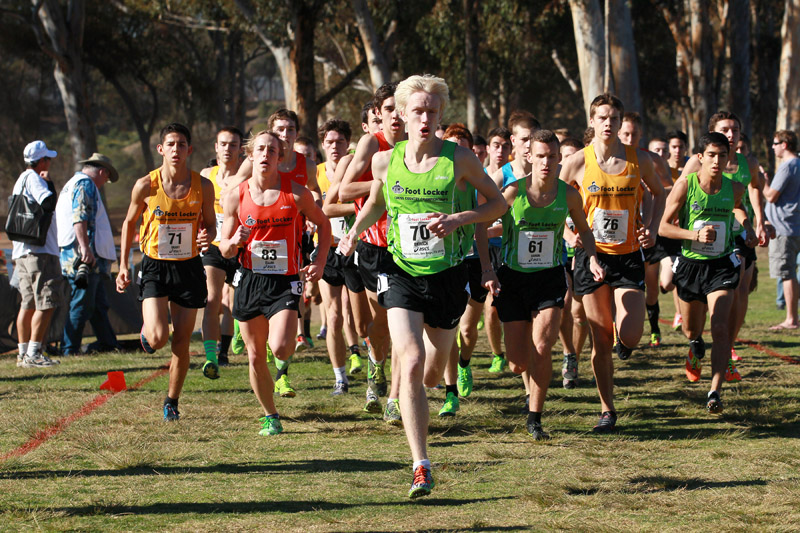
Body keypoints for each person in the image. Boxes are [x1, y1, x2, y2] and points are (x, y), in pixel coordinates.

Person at [338, 74, 505, 498]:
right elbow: (377, 201)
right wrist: (355, 231)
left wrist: (459, 220)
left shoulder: (460, 160)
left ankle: (429, 397)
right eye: (418, 111)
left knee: (430, 373)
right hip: (401, 273)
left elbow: (498, 203)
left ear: (440, 115)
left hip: (448, 277)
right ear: (402, 115)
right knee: (409, 362)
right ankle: (420, 464)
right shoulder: (384, 161)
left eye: (433, 111)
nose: (426, 118)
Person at [488, 129, 604, 439]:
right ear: (529, 157)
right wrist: (487, 267)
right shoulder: (513, 193)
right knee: (517, 363)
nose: (547, 163)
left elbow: (585, 230)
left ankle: (535, 418)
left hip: (550, 277)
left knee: (543, 346)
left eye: (552, 157)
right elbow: (481, 226)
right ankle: (528, 385)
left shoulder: (568, 195)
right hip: (513, 278)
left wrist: (591, 257)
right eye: (540, 156)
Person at [560, 94, 664, 433]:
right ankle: (607, 410)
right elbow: (552, 200)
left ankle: (627, 341)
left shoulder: (639, 160)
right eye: (602, 117)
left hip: (628, 256)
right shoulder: (577, 161)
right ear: (592, 122)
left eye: (614, 118)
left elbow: (658, 194)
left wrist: (651, 226)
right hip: (591, 257)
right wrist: (567, 234)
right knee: (600, 338)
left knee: (631, 334)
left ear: (621, 124)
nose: (608, 123)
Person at [219, 130, 331, 435]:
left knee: (280, 348)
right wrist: (234, 240)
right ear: (251, 155)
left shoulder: (295, 193)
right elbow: (225, 248)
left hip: (284, 281)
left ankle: (274, 347)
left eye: (273, 150)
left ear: (279, 157)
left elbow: (324, 224)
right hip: (250, 279)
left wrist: (319, 262)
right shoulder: (235, 195)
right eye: (261, 149)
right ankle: (270, 414)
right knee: (255, 358)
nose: (266, 154)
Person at [116, 123, 217, 421]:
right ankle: (150, 333)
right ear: (161, 149)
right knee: (159, 338)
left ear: (189, 149)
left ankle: (172, 400)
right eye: (170, 144)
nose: (176, 149)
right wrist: (123, 265)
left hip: (188, 267)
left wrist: (207, 236)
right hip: (155, 265)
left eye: (182, 144)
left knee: (181, 342)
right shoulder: (146, 185)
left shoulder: (203, 186)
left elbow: (211, 224)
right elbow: (128, 223)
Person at [659, 132, 756, 413]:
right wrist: (695, 234)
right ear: (700, 158)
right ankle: (694, 343)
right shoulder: (685, 186)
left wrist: (748, 227)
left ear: (728, 158)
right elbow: (664, 227)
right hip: (691, 265)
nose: (717, 161)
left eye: (722, 155)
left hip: (722, 265)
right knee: (692, 328)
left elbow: (738, 208)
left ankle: (715, 391)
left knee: (721, 327)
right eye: (711, 155)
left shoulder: (735, 188)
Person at [680, 112, 768, 372]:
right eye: (725, 130)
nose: (731, 135)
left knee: (739, 291)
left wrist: (759, 221)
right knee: (701, 307)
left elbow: (754, 188)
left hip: (737, 235)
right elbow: (680, 193)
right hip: (699, 243)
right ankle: (697, 341)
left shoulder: (747, 163)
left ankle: (726, 348)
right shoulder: (698, 164)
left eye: (735, 130)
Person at [338, 82, 405, 418]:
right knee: (379, 322)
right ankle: (375, 363)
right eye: (389, 109)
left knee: (403, 323)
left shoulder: (420, 144)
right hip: (374, 247)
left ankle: (394, 399)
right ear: (378, 113)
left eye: (400, 108)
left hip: (410, 249)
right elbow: (344, 190)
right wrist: (384, 181)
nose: (396, 115)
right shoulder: (371, 144)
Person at [315, 118, 363, 393]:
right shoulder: (316, 172)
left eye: (340, 142)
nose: (335, 146)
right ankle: (340, 378)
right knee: (333, 316)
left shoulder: (358, 168)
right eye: (330, 142)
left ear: (348, 143)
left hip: (356, 250)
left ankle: (371, 364)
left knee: (361, 320)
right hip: (327, 248)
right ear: (323, 144)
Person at [55, 152, 120, 356]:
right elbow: (80, 218)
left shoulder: (71, 184)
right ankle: (69, 349)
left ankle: (108, 344)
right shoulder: (86, 185)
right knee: (82, 303)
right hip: (84, 256)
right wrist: (85, 248)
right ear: (102, 172)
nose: (104, 183)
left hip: (75, 253)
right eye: (106, 179)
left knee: (98, 303)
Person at [618, 112, 673, 350]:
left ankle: (654, 327)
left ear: (641, 135)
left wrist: (652, 221)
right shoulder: (609, 160)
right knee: (620, 286)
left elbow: (669, 189)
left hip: (647, 231)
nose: (630, 139)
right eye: (626, 134)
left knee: (651, 285)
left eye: (634, 134)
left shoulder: (651, 160)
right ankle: (617, 333)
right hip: (619, 235)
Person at [13, 140, 63, 368]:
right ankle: (33, 353)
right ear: (41, 161)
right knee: (47, 300)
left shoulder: (20, 179)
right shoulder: (34, 179)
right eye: (48, 158)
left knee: (28, 303)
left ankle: (23, 353)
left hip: (22, 251)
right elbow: (48, 202)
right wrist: (50, 184)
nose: (50, 162)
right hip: (40, 252)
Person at [200, 126, 244, 375]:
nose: (228, 149)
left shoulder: (246, 177)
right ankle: (211, 356)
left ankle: (225, 350)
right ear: (216, 147)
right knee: (212, 298)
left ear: (240, 149)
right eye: (223, 144)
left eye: (233, 145)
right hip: (214, 247)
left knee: (235, 302)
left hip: (239, 247)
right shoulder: (207, 175)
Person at [557, 136, 589, 389]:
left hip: (584, 255)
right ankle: (568, 352)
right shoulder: (553, 187)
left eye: (574, 156)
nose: (569, 161)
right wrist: (568, 235)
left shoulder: (588, 186)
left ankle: (574, 359)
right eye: (565, 156)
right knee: (564, 304)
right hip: (559, 254)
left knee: (579, 314)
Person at [764, 130, 800, 330]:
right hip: (795, 225)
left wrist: (762, 181)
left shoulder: (788, 166)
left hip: (785, 228)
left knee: (787, 274)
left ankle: (791, 319)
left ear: (785, 144)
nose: (773, 146)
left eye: (776, 143)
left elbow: (771, 196)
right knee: (791, 272)